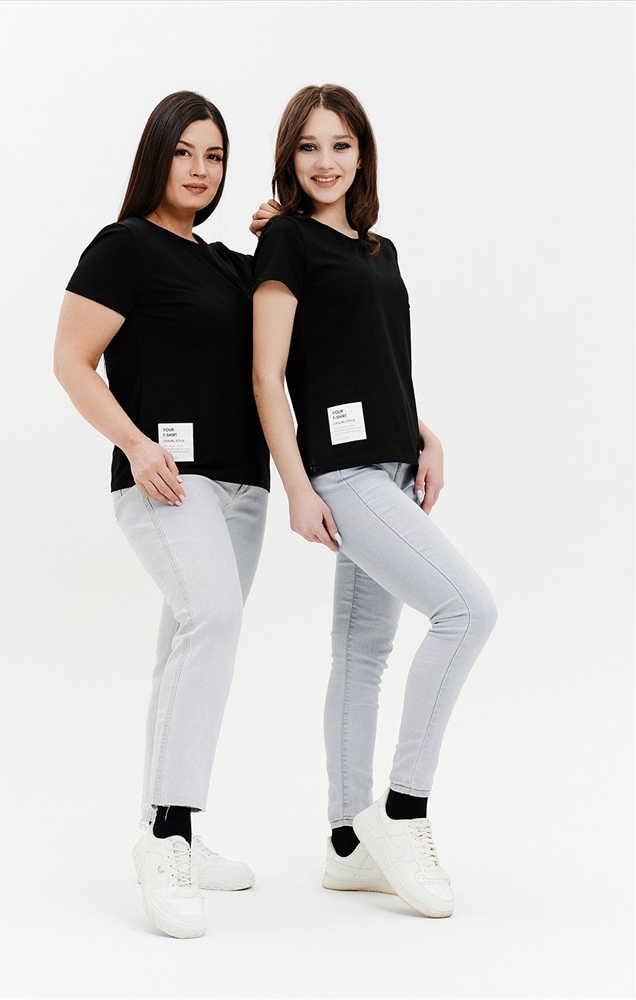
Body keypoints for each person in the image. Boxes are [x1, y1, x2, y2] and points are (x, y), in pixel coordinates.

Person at [251, 84, 498, 919]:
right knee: (467, 610)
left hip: (392, 467)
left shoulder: (377, 251)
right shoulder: (284, 241)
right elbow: (267, 377)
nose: (325, 161)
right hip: (343, 477)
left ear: (362, 155)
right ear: (289, 157)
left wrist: (423, 433)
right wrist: (296, 486)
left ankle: (348, 846)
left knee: (361, 653)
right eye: (308, 146)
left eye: (340, 145)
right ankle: (402, 811)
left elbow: (373, 357)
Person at [54, 91, 270, 939]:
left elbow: (294, 340)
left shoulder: (229, 265)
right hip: (169, 479)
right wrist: (137, 444)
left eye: (214, 156)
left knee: (192, 639)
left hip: (244, 484)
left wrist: (281, 235)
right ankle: (166, 840)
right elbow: (72, 361)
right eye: (184, 152)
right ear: (157, 156)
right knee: (211, 619)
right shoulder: (123, 247)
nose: (200, 169)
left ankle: (168, 824)